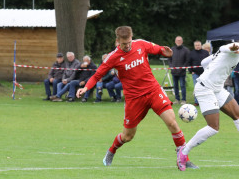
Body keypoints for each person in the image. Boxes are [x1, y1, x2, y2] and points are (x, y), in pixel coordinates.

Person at [76, 26, 197, 169]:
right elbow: (97, 75)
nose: (127, 46)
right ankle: (111, 151)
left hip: (153, 90)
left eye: (128, 42)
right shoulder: (113, 57)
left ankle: (184, 159)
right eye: (123, 44)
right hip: (134, 99)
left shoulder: (141, 44)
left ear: (131, 37)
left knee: (172, 123)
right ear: (117, 41)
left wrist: (166, 52)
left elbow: (158, 49)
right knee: (127, 136)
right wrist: (86, 87)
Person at [176, 32, 239, 171]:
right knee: (213, 128)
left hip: (217, 89)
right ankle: (183, 153)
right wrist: (231, 48)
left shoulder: (230, 50)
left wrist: (216, 66)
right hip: (205, 89)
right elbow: (230, 48)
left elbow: (203, 62)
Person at [169, 35, 190, 104]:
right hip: (174, 72)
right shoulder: (172, 49)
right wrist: (171, 67)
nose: (179, 42)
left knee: (182, 86)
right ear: (175, 41)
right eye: (177, 40)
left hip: (182, 72)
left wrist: (182, 68)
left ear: (182, 41)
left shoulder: (186, 50)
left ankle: (183, 100)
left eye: (180, 40)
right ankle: (177, 99)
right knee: (175, 86)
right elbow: (169, 59)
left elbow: (187, 60)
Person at [188, 40, 210, 105]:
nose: (197, 46)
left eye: (198, 45)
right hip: (195, 73)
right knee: (196, 87)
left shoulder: (205, 52)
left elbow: (209, 62)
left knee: (205, 87)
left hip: (204, 73)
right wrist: (191, 71)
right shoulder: (191, 53)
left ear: (201, 45)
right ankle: (196, 101)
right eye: (196, 45)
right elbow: (189, 63)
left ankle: (205, 101)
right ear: (194, 46)